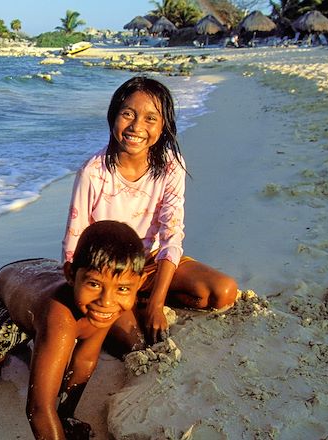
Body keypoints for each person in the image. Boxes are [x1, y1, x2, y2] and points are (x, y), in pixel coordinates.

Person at [62, 76, 239, 357]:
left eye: (150, 118)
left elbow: (172, 236)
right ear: (113, 116)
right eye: (128, 114)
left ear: (163, 125)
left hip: (151, 262)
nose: (136, 127)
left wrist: (156, 305)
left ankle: (141, 298)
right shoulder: (93, 172)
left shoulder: (171, 166)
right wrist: (86, 292)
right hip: (111, 272)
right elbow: (74, 242)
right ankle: (127, 300)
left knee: (223, 292)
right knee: (134, 344)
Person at [0, 220, 147, 439]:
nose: (107, 301)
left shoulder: (103, 306)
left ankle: (39, 340)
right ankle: (25, 337)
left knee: (73, 328)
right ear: (70, 274)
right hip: (10, 288)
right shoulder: (60, 319)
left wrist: (65, 416)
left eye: (123, 288)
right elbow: (38, 409)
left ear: (139, 283)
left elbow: (85, 360)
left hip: (44, 280)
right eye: (94, 284)